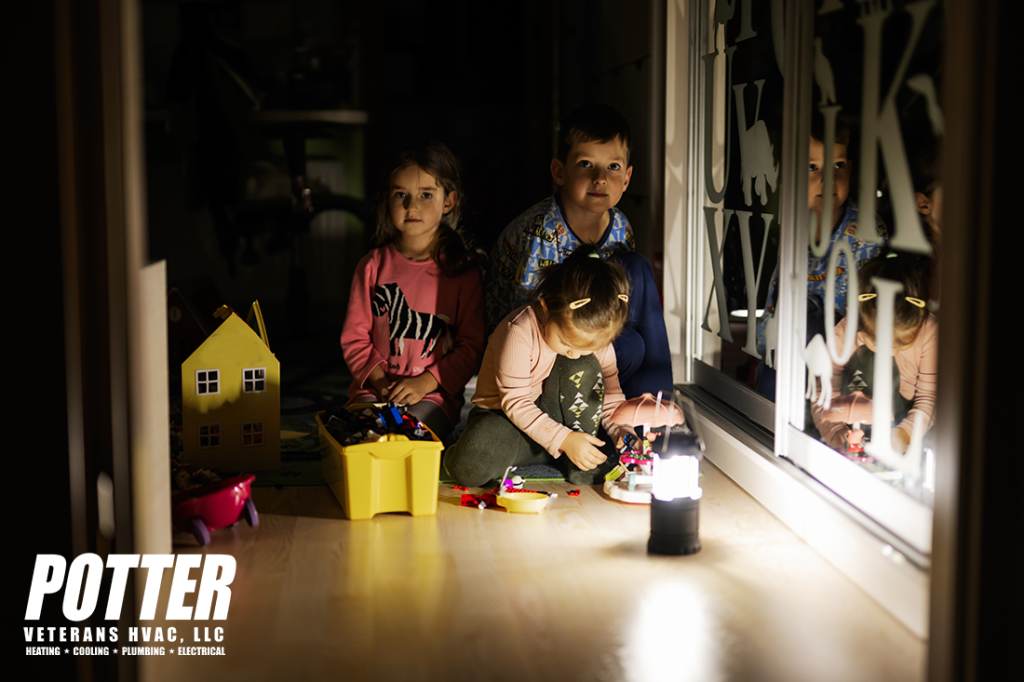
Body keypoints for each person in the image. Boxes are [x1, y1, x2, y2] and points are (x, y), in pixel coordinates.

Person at [485, 103, 673, 398]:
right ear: (559, 172)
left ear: (626, 178)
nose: (600, 178)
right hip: (535, 352)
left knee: (632, 329)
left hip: (585, 333)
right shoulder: (543, 232)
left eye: (613, 167)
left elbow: (619, 305)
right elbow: (525, 324)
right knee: (620, 347)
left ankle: (652, 408)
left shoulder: (621, 226)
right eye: (586, 164)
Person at [444, 251, 635, 487]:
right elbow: (515, 403)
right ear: (546, 306)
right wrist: (564, 439)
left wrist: (622, 431)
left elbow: (610, 395)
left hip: (561, 419)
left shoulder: (594, 334)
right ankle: (563, 450)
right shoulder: (518, 332)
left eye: (587, 348)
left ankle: (577, 458)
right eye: (566, 342)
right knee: (470, 465)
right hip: (506, 421)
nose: (574, 352)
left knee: (583, 366)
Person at [340, 142, 485, 440]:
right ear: (387, 199)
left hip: (433, 397)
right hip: (374, 389)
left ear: (449, 201)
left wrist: (425, 383)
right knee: (363, 432)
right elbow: (354, 338)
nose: (412, 205)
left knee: (412, 435)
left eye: (426, 195)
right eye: (401, 195)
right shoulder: (371, 266)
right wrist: (381, 384)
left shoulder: (463, 272)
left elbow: (471, 346)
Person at [755, 117, 888, 397]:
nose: (828, 180)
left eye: (838, 165)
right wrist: (763, 343)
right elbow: (776, 292)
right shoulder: (793, 225)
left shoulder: (866, 231)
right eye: (811, 168)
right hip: (789, 351)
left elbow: (867, 314)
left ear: (850, 170)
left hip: (844, 358)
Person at [811, 250, 937, 454]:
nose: (890, 350)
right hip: (849, 423)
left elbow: (930, 399)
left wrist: (904, 434)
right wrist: (835, 432)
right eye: (878, 342)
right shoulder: (845, 333)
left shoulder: (930, 332)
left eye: (902, 343)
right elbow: (821, 393)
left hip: (906, 426)